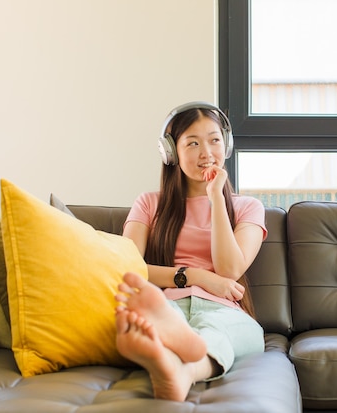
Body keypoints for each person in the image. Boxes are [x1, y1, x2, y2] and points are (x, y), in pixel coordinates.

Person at [114, 102, 267, 401]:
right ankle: (173, 353)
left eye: (214, 140)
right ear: (170, 152)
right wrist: (195, 276)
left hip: (223, 310)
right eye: (193, 143)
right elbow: (128, 268)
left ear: (227, 145)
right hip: (163, 304)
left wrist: (217, 201)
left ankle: (179, 369)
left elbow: (229, 270)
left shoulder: (248, 207)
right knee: (162, 325)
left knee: (223, 334)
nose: (206, 153)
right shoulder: (148, 204)